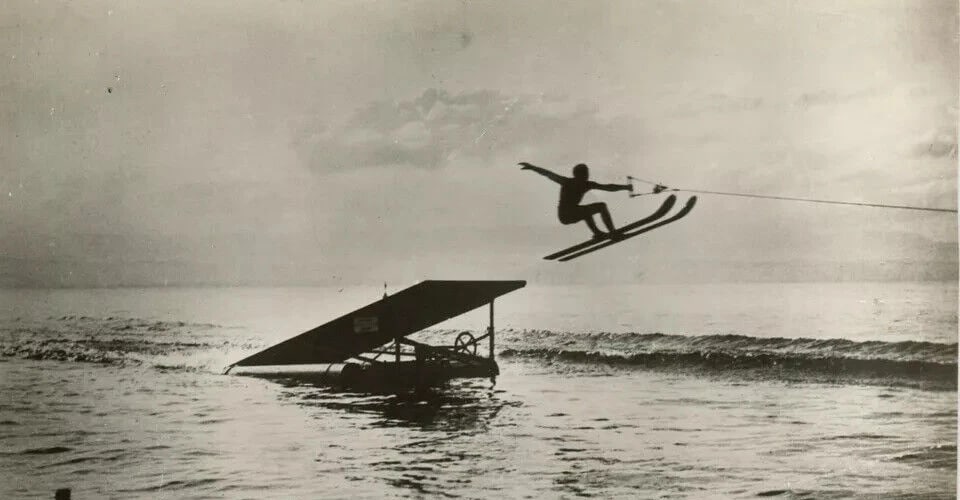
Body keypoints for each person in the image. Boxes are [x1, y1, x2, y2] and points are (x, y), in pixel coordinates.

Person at [520, 162, 632, 239]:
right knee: (600, 207)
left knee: (587, 210)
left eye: (587, 174)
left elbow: (608, 187)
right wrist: (532, 167)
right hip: (565, 215)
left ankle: (598, 233)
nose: (587, 176)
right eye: (585, 174)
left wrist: (625, 187)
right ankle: (613, 233)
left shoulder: (585, 184)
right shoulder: (567, 182)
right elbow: (548, 174)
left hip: (569, 214)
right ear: (578, 175)